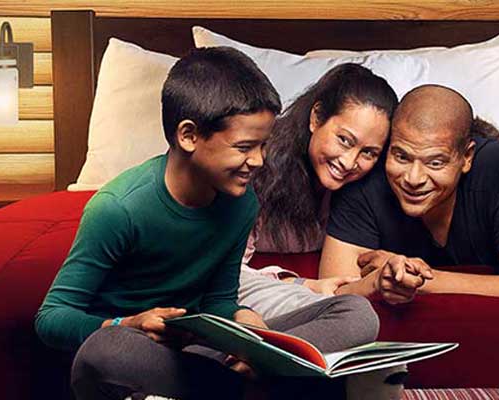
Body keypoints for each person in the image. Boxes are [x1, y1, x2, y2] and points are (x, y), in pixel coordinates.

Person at [35, 47, 377, 400]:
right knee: (105, 350)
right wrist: (128, 323)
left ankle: (246, 379)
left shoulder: (242, 204)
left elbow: (219, 301)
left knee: (357, 314)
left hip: (200, 352)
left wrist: (245, 323)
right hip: (136, 351)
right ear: (188, 136)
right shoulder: (117, 208)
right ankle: (252, 385)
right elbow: (52, 318)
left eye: (263, 145)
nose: (258, 161)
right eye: (245, 147)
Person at [317, 85, 499, 305]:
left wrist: (422, 280)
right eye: (401, 156)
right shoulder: (366, 176)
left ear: (467, 157)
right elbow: (331, 291)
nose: (413, 179)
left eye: (435, 163)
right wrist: (381, 280)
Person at [238, 63, 399, 319]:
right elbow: (227, 274)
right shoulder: (258, 166)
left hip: (312, 293)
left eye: (368, 152)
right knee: (350, 316)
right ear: (316, 118)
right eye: (344, 140)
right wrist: (303, 285)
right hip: (241, 286)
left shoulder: (366, 187)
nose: (349, 162)